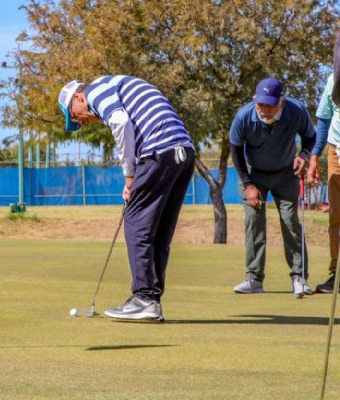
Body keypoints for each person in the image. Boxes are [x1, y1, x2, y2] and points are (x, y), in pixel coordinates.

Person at [58, 75, 195, 321]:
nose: (81, 121)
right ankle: (151, 300)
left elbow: (120, 123)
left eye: (76, 116)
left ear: (78, 98)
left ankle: (144, 298)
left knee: (136, 222)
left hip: (158, 150)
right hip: (183, 152)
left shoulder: (97, 91)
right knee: (159, 228)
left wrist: (130, 175)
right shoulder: (114, 85)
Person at [229, 77, 316, 297]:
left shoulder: (296, 111)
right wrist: (248, 184)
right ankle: (254, 278)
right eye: (261, 104)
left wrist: (304, 155)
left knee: (289, 221)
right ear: (254, 100)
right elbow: (236, 151)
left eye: (270, 104)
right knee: (254, 221)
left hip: (287, 173)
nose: (264, 109)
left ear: (282, 102)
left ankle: (299, 277)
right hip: (254, 174)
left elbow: (310, 136)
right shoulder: (243, 117)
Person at [307, 73, 340, 293]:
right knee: (337, 216)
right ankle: (337, 274)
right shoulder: (333, 78)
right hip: (336, 150)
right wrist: (314, 156)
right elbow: (324, 119)